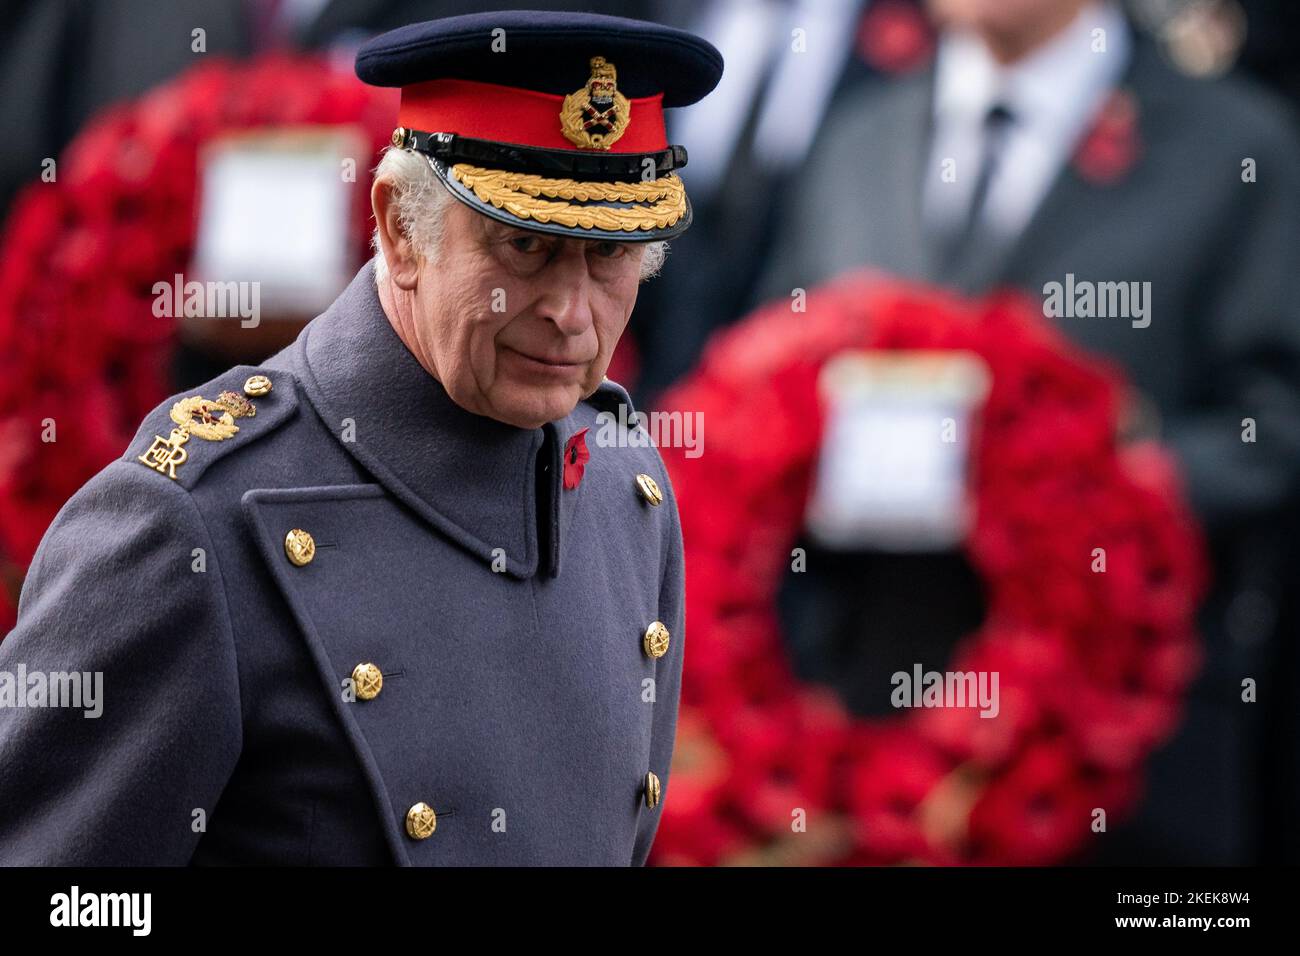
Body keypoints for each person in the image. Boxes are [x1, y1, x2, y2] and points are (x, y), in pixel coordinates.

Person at [0, 10, 722, 865]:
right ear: (401, 230)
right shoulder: (193, 520)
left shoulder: (622, 486)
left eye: (610, 257)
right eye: (526, 247)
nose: (572, 315)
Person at [757, 0, 1300, 863]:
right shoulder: (858, 138)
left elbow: (1273, 424)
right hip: (876, 726)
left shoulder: (1237, 143)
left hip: (1120, 761)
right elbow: (766, 396)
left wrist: (1101, 482)